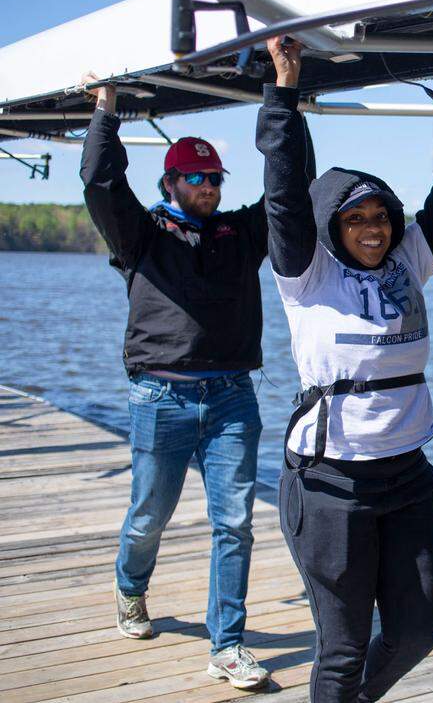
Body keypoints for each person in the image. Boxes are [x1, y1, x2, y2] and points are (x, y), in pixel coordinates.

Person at [255, 36, 433, 703]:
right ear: (333, 225)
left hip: (408, 475)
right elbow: (283, 194)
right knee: (343, 648)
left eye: (379, 214)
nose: (373, 227)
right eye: (356, 218)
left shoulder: (410, 260)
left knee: (417, 633)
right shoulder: (306, 272)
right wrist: (284, 88)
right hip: (330, 485)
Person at [78, 69, 316, 688]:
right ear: (171, 181)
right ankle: (131, 587)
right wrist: (106, 112)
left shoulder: (240, 233)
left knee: (234, 520)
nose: (208, 187)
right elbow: (101, 182)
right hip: (161, 396)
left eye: (214, 179)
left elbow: (291, 189)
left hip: (234, 396)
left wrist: (284, 100)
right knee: (149, 515)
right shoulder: (142, 234)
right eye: (196, 178)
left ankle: (227, 645)